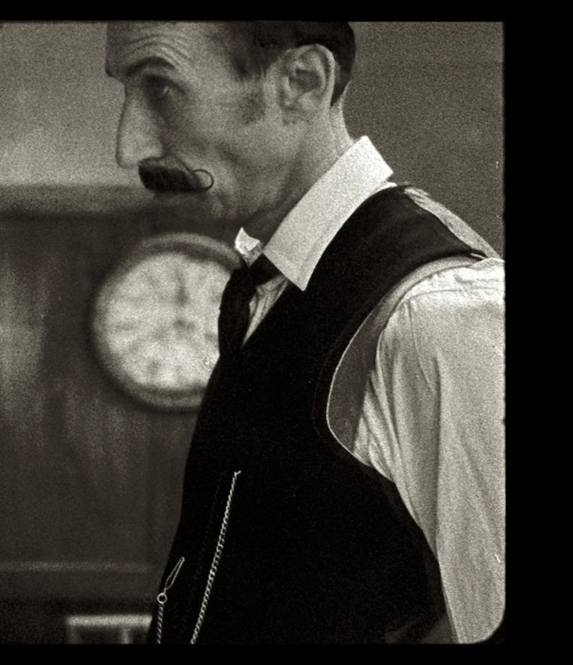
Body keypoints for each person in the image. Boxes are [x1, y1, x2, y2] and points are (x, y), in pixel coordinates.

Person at [105, 22, 504, 644]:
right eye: (126, 92)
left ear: (302, 82)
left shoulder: (435, 311)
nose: (128, 146)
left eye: (161, 87)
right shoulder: (268, 284)